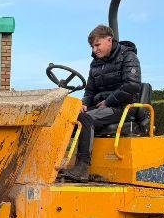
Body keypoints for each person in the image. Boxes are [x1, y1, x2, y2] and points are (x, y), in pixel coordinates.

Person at [61, 25, 142, 182]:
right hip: (102, 106)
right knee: (70, 118)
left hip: (123, 107)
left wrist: (109, 101)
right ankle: (59, 163)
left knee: (84, 120)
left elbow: (132, 85)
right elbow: (90, 90)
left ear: (109, 40)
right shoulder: (95, 63)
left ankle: (83, 168)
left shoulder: (128, 57)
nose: (95, 49)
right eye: (92, 46)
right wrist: (84, 103)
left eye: (97, 45)